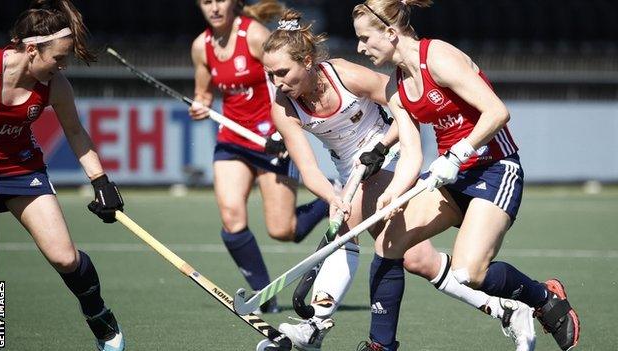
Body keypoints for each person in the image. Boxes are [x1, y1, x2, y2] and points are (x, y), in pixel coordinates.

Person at [262, 9, 536, 351]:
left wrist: (382, 146)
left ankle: (315, 326)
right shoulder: (283, 105)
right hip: (351, 172)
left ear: (306, 61)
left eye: (282, 72)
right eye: (270, 74)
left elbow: (402, 106)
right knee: (417, 259)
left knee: (351, 222)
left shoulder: (344, 75)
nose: (277, 82)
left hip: (390, 155)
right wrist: (333, 197)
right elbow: (309, 170)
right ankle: (505, 309)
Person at [351, 1, 580, 350]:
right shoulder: (396, 85)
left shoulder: (438, 56)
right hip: (451, 177)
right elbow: (412, 153)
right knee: (389, 243)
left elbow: (497, 112)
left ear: (391, 33)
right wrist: (392, 194)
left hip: (495, 169)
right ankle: (380, 345)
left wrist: (458, 153)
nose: (360, 48)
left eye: (365, 38)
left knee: (468, 273)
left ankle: (544, 298)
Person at [0, 1, 126, 350]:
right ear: (32, 49)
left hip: (21, 171)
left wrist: (101, 182)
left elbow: (76, 133)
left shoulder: (55, 85)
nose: (63, 65)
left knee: (65, 257)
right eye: (59, 58)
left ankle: (98, 315)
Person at [189, 0, 329, 313]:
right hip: (232, 142)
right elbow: (205, 93)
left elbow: (282, 86)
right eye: (206, 1)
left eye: (220, 0)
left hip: (271, 139)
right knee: (231, 215)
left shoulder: (254, 36)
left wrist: (280, 133)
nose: (213, 7)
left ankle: (332, 196)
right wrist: (200, 105)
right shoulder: (201, 46)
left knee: (283, 231)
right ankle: (263, 295)